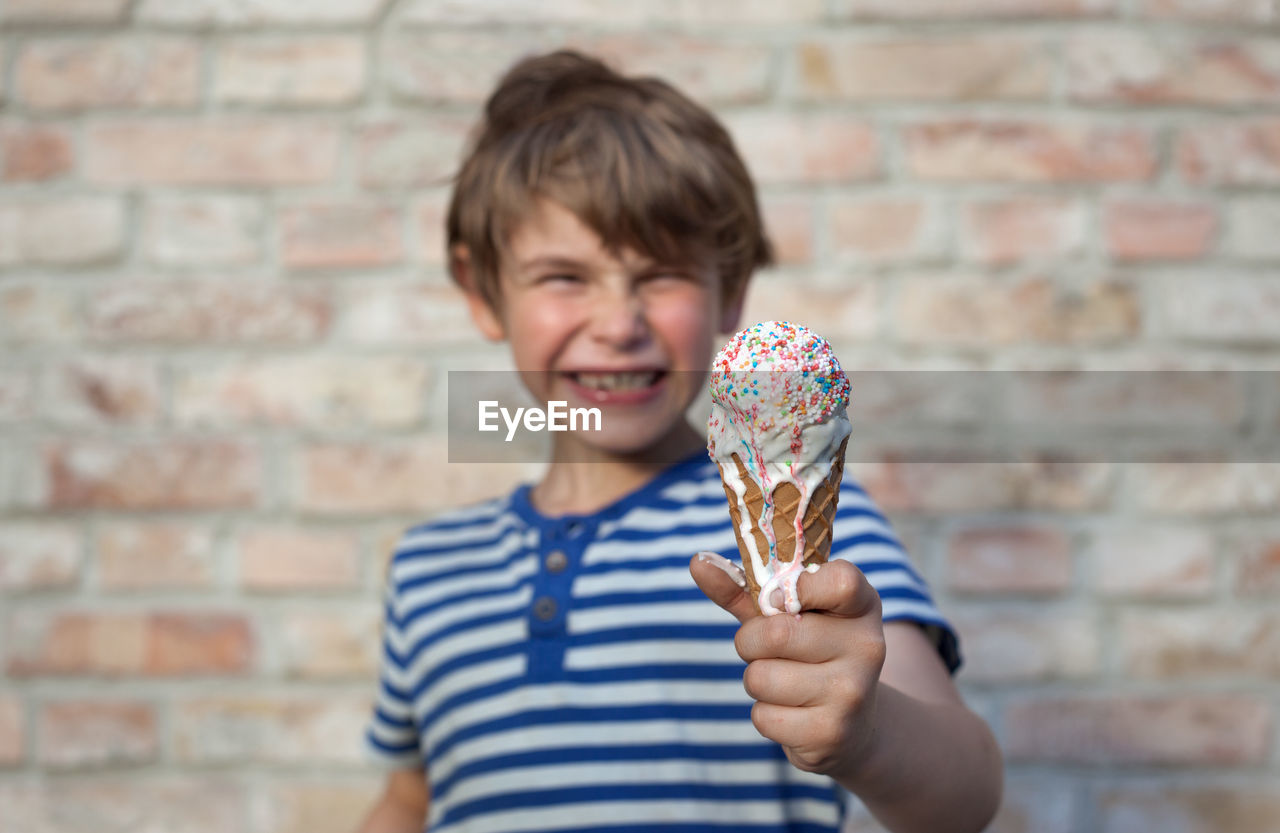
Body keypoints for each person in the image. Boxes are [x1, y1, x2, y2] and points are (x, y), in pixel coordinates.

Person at [356, 49, 1002, 833]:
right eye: (565, 276)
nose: (620, 324)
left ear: (730, 291)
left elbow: (965, 790)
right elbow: (410, 802)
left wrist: (865, 737)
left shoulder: (799, 536)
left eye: (660, 276)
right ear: (482, 291)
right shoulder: (428, 569)